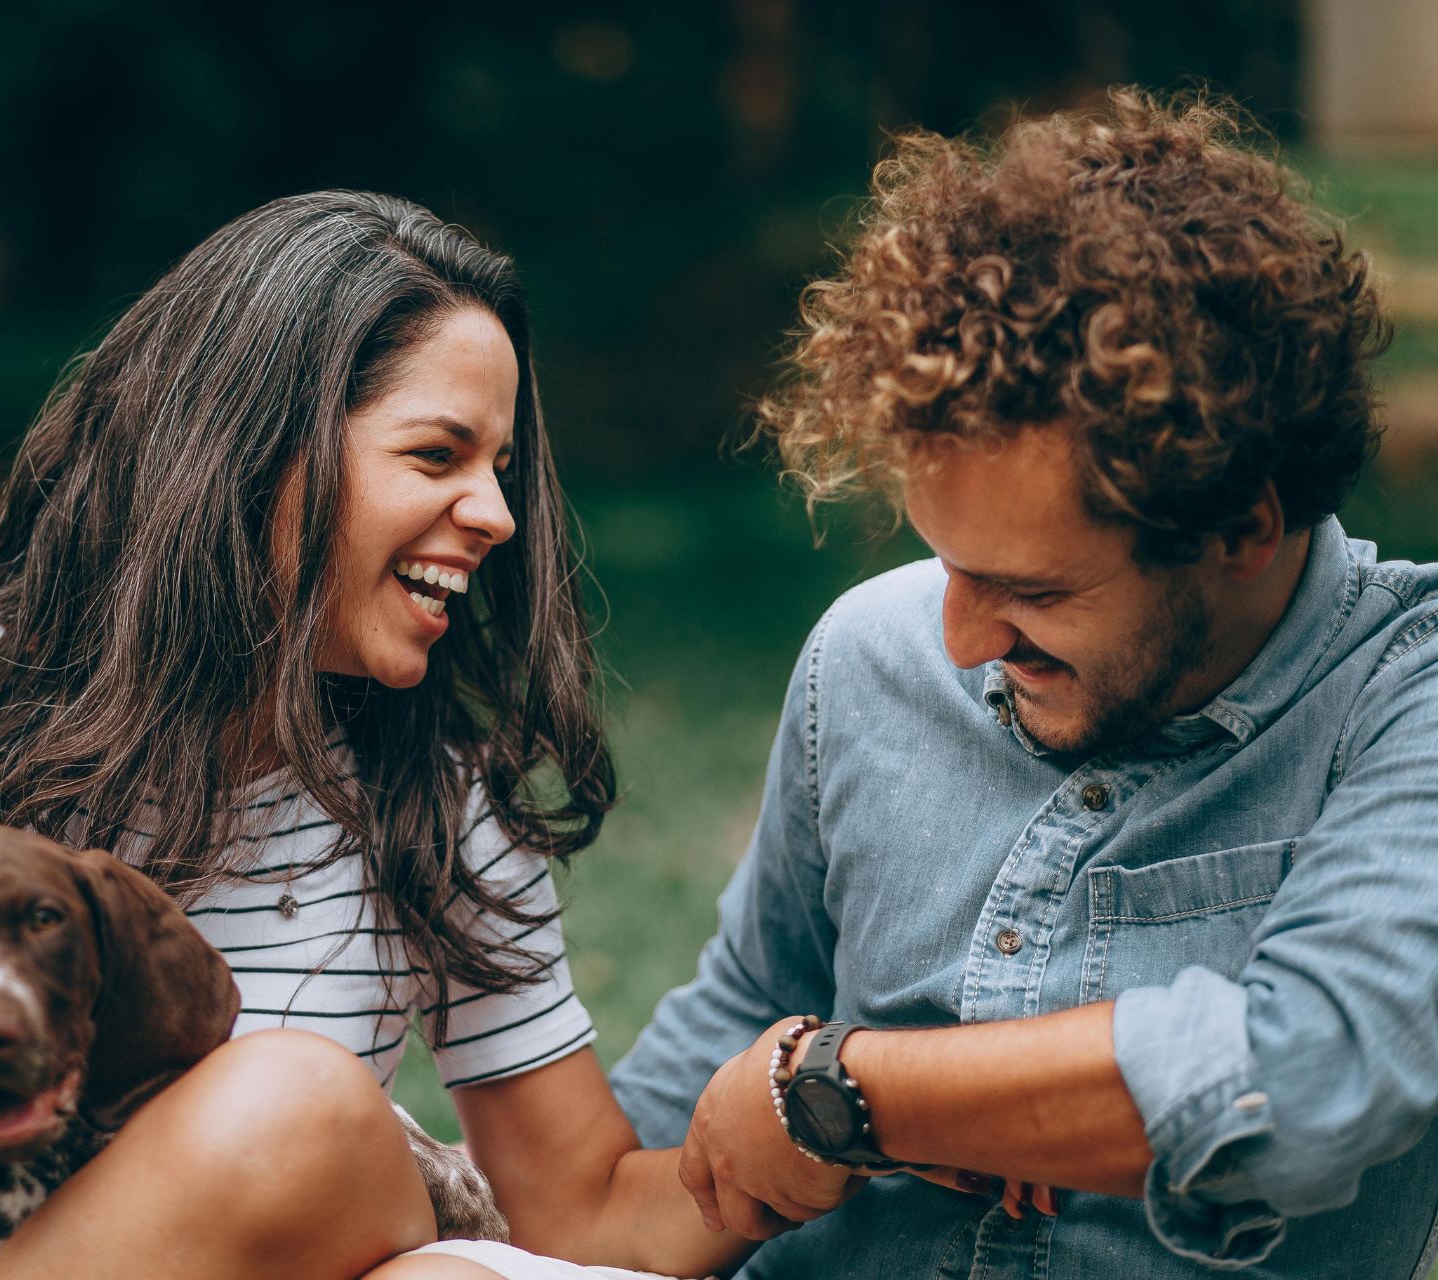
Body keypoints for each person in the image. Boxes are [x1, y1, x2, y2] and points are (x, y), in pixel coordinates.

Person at [0, 192, 759, 1280]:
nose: (494, 512)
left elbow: (579, 1212)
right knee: (307, 1113)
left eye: (500, 465)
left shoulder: (442, 810)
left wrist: (827, 1124)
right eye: (438, 453)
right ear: (256, 450)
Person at [606, 87, 1438, 1277]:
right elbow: (726, 1031)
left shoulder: (1406, 697)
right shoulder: (867, 652)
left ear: (1240, 528)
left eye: (1033, 592)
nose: (955, 639)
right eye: (945, 562)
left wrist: (841, 1090)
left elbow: (1304, 1076)